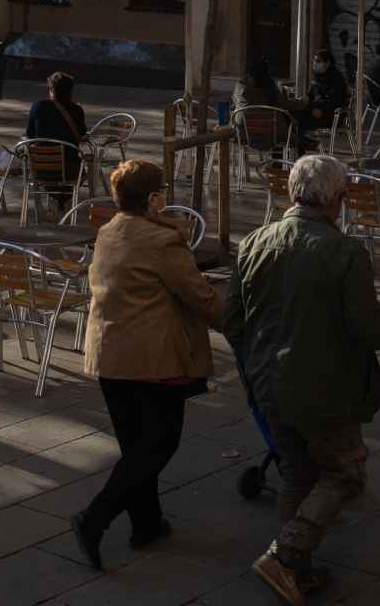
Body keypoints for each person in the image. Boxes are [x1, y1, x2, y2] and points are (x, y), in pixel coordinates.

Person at [224, 154, 380, 603]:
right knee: (345, 474)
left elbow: (232, 321)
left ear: (292, 192)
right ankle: (287, 553)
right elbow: (371, 331)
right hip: (324, 388)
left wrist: (260, 360)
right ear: (337, 199)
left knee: (296, 471)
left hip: (267, 380)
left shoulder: (254, 242)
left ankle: (296, 567)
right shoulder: (344, 252)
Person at [71, 160, 223, 569]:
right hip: (153, 361)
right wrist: (239, 320)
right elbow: (200, 296)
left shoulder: (107, 231)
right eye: (163, 191)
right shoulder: (162, 241)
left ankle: (147, 523)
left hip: (109, 356)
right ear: (154, 198)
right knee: (158, 445)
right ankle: (94, 518)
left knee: (135, 447)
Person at [25, 71, 89, 171]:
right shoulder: (77, 110)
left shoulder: (38, 106)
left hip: (40, 170)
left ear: (51, 89)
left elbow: (29, 135)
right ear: (70, 91)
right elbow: (82, 135)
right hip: (69, 171)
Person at [301, 49, 347, 138]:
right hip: (314, 111)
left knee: (298, 120)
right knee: (291, 115)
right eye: (314, 61)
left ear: (328, 63)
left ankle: (303, 143)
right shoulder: (317, 77)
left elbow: (334, 100)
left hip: (330, 115)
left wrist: (320, 109)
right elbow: (310, 96)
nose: (314, 63)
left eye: (318, 61)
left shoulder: (336, 79)